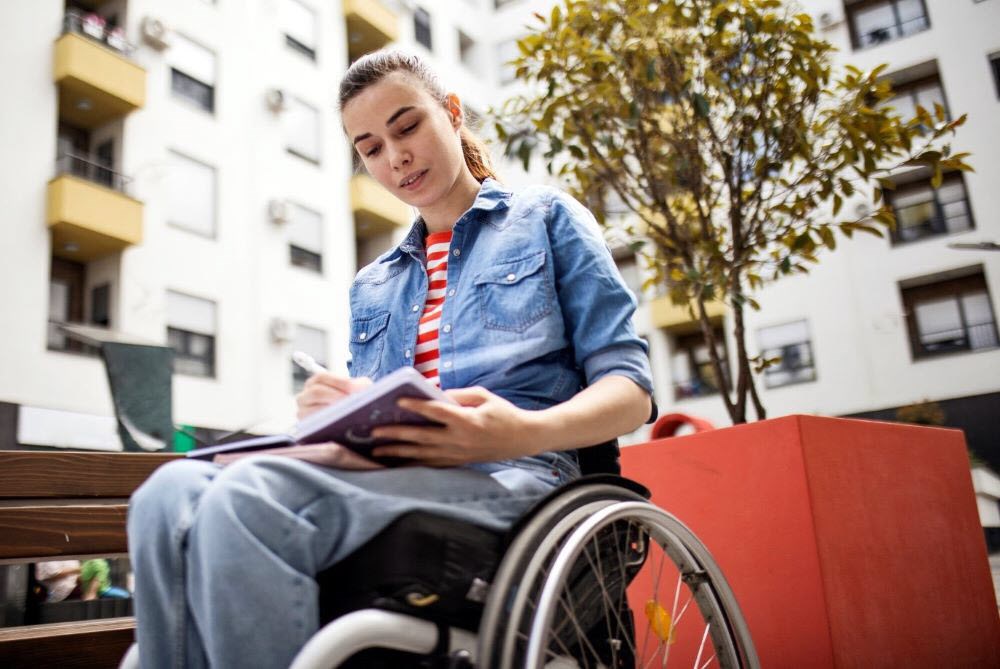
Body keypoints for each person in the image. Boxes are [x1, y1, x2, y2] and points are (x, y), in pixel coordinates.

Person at [127, 49, 654, 669]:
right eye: (371, 147)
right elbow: (383, 422)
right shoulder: (374, 285)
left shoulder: (547, 220)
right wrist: (332, 417)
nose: (395, 156)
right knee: (168, 493)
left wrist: (517, 431)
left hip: (523, 478)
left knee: (248, 501)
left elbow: (631, 391)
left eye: (407, 127)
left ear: (452, 114)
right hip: (400, 480)